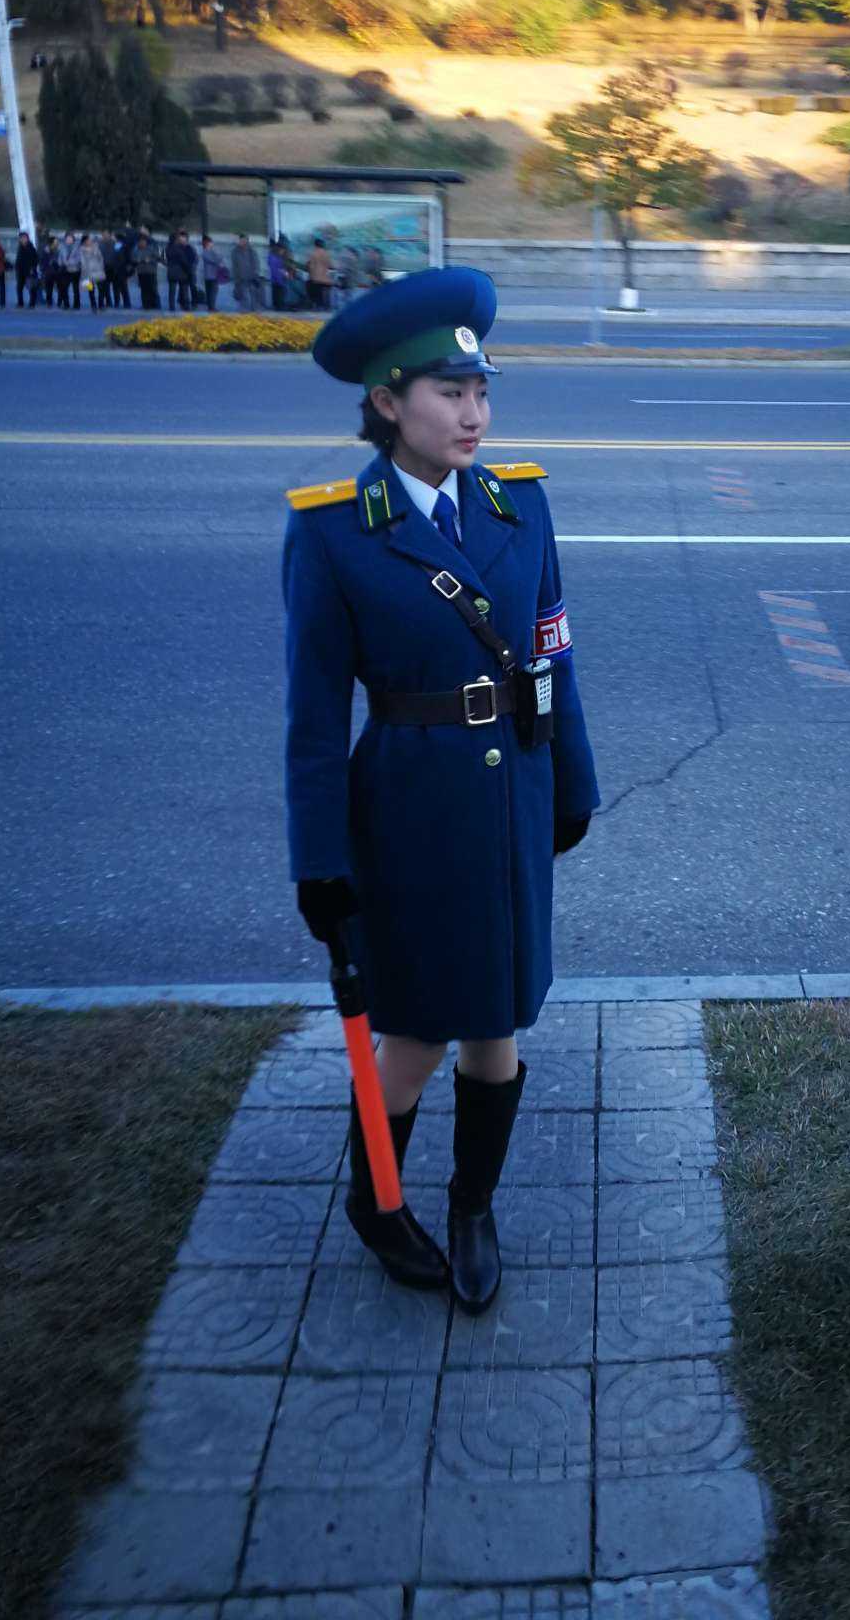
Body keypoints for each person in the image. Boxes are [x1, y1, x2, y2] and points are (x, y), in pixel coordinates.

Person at [281, 267, 598, 1312]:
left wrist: (572, 782)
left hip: (511, 799)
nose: (475, 413)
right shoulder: (335, 533)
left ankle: (471, 1202)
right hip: (409, 812)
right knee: (414, 1031)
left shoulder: (520, 506)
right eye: (449, 391)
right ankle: (377, 1201)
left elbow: (551, 653)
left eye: (482, 389)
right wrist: (320, 861)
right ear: (386, 402)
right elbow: (317, 721)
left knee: (499, 1021)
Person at [165, 229, 198, 311]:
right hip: (181, 272)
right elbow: (184, 260)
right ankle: (186, 306)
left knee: (172, 291)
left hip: (171, 272)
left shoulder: (168, 248)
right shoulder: (179, 248)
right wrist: (189, 270)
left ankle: (171, 307)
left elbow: (163, 259)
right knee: (184, 290)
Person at [231, 232, 262, 311]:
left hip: (252, 278)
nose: (243, 241)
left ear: (247, 240)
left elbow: (256, 264)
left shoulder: (252, 251)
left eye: (244, 240)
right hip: (240, 278)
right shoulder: (235, 251)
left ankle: (254, 312)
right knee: (243, 297)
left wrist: (256, 274)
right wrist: (235, 278)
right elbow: (234, 266)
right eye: (241, 240)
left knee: (254, 296)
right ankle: (245, 313)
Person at [133, 228, 160, 310]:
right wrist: (137, 260)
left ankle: (156, 304)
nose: (141, 243)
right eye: (140, 242)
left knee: (152, 289)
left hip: (151, 271)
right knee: (143, 289)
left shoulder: (151, 249)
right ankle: (146, 305)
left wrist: (150, 260)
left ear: (146, 242)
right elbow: (133, 258)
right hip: (141, 272)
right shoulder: (136, 250)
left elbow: (158, 258)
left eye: (143, 241)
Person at [305, 235, 334, 312]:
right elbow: (330, 265)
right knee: (325, 292)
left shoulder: (312, 253)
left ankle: (317, 306)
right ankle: (327, 307)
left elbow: (310, 266)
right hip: (325, 279)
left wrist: (311, 274)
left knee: (314, 291)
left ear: (315, 245)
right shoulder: (326, 254)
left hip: (315, 278)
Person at [200, 234, 228, 313]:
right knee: (212, 292)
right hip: (210, 276)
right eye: (211, 242)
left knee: (212, 292)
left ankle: (211, 307)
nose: (212, 244)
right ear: (207, 243)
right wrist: (218, 257)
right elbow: (215, 259)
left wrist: (218, 256)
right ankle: (211, 308)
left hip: (213, 275)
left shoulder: (211, 251)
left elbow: (219, 258)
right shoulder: (205, 252)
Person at [78, 232, 105, 312]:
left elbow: (101, 258)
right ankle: (93, 305)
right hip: (87, 272)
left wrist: (101, 267)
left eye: (90, 240)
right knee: (90, 290)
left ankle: (101, 305)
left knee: (101, 289)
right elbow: (82, 261)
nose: (90, 241)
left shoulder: (96, 248)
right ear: (84, 241)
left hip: (98, 271)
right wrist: (84, 269)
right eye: (88, 240)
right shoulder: (81, 250)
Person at [57, 230, 81, 309]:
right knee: (64, 288)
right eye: (67, 238)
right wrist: (60, 264)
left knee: (76, 288)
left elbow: (79, 259)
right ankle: (66, 303)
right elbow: (60, 257)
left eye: (70, 238)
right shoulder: (61, 247)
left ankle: (76, 304)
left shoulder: (77, 247)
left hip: (75, 270)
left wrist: (69, 262)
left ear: (73, 239)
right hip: (65, 270)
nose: (69, 240)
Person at [14, 230, 38, 307]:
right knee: (19, 287)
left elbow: (36, 259)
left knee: (31, 287)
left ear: (27, 238)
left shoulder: (31, 248)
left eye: (24, 238)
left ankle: (32, 303)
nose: (23, 240)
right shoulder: (20, 248)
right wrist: (16, 267)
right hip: (20, 271)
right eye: (21, 238)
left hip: (29, 270)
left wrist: (33, 268)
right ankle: (20, 302)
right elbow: (18, 259)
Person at [267, 237, 289, 312]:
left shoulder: (275, 256)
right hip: (277, 280)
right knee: (278, 295)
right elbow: (276, 270)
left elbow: (280, 268)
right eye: (283, 250)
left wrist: (284, 273)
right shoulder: (274, 257)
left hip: (277, 280)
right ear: (280, 249)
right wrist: (283, 275)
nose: (283, 252)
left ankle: (279, 306)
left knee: (277, 294)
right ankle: (279, 307)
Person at [38, 231, 60, 307]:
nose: (57, 243)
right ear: (51, 243)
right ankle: (49, 302)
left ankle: (59, 302)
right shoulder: (45, 251)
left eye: (57, 242)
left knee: (60, 287)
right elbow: (42, 262)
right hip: (48, 272)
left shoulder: (57, 250)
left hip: (57, 271)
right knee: (49, 288)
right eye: (55, 242)